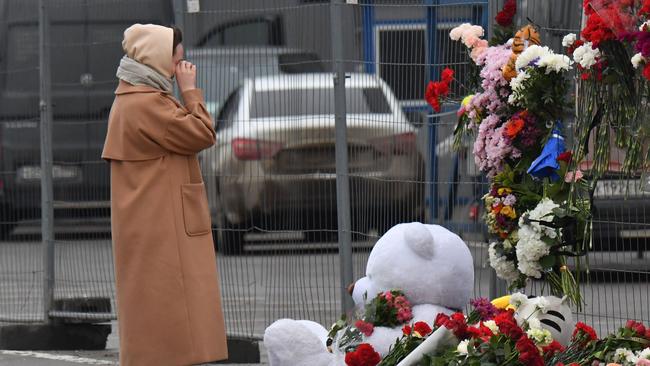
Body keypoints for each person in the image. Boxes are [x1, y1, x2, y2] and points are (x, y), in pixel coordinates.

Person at [102, 24, 228, 365]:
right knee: (170, 314)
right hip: (164, 227)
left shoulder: (136, 98)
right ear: (158, 60)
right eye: (177, 61)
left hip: (156, 223)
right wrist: (190, 92)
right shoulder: (147, 104)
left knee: (158, 312)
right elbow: (202, 133)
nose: (181, 69)